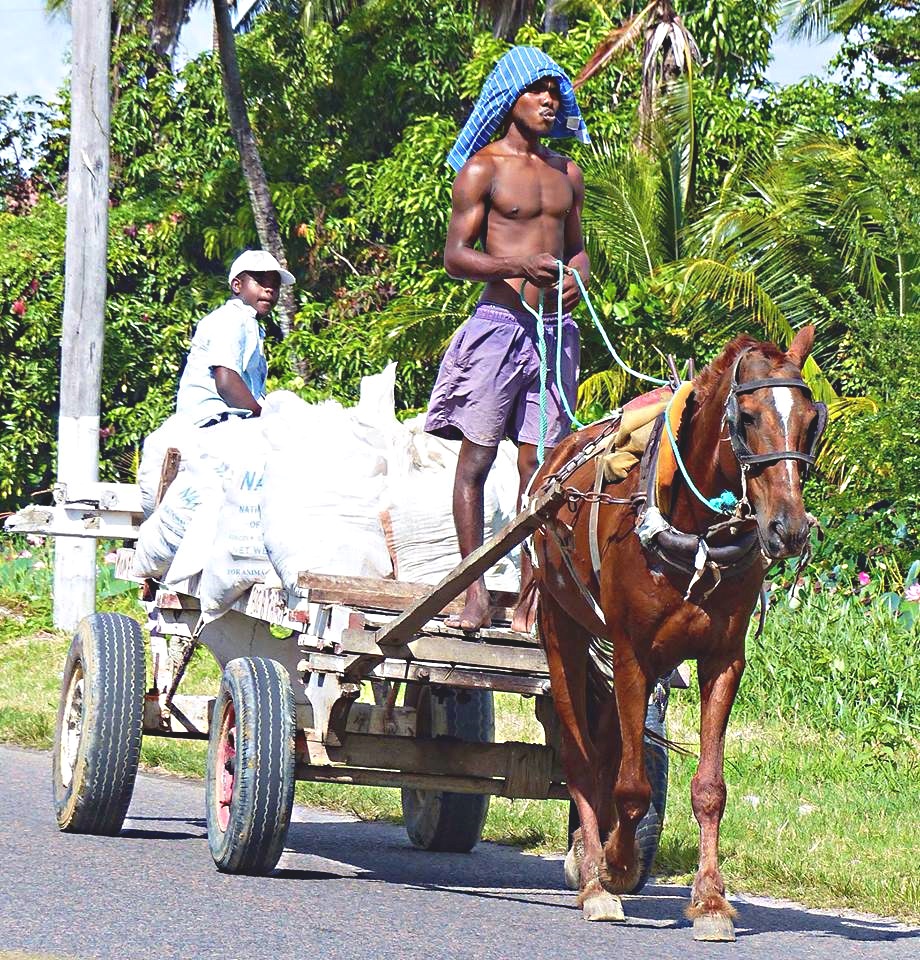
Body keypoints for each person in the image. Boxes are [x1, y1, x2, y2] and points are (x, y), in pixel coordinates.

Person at [425, 46, 591, 631]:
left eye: (555, 92)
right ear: (510, 98)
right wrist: (514, 269)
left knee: (540, 465)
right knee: (477, 459)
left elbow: (577, 249)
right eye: (537, 90)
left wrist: (578, 279)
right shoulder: (483, 169)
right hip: (499, 327)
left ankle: (530, 594)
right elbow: (455, 257)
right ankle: (472, 592)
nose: (550, 101)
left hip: (556, 334)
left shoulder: (567, 173)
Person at [176, 249, 295, 427]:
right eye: (261, 281)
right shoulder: (230, 318)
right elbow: (226, 381)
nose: (269, 289)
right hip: (210, 420)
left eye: (275, 285)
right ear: (237, 286)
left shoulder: (249, 323)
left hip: (227, 420)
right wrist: (262, 417)